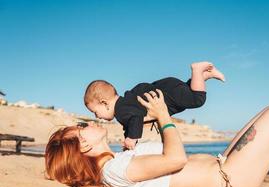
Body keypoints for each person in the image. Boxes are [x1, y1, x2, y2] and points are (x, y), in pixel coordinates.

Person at [45, 89, 269, 187]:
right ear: (85, 147)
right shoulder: (115, 170)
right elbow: (176, 159)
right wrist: (163, 114)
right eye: (80, 130)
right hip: (228, 182)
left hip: (224, 170)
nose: (85, 125)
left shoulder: (116, 164)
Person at [84, 61, 225, 149]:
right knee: (189, 93)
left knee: (197, 100)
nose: (97, 117)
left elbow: (136, 118)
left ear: (104, 103)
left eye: (95, 112)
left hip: (169, 93)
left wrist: (132, 138)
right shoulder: (125, 105)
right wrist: (128, 140)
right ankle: (204, 76)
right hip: (168, 87)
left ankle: (197, 70)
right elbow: (130, 125)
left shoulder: (121, 110)